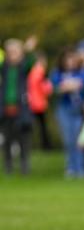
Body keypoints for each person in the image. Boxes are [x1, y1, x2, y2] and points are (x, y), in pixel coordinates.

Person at [50, 48, 84, 178]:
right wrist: (69, 85)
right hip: (64, 109)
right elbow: (56, 88)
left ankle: (80, 168)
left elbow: (80, 85)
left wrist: (67, 86)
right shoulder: (56, 73)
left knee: (79, 140)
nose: (71, 61)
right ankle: (70, 168)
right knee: (68, 140)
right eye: (68, 58)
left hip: (78, 109)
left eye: (73, 58)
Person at [0, 39, 34, 175]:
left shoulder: (23, 68)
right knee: (7, 139)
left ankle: (25, 166)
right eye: (10, 52)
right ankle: (8, 166)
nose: (13, 55)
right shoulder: (4, 68)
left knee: (23, 139)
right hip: (5, 108)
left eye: (16, 52)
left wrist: (28, 51)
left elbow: (31, 62)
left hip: (21, 109)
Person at [27, 47, 53, 150]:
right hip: (38, 102)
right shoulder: (40, 71)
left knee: (36, 126)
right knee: (42, 127)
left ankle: (37, 145)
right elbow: (44, 88)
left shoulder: (32, 71)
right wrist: (49, 87)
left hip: (33, 101)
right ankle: (46, 146)